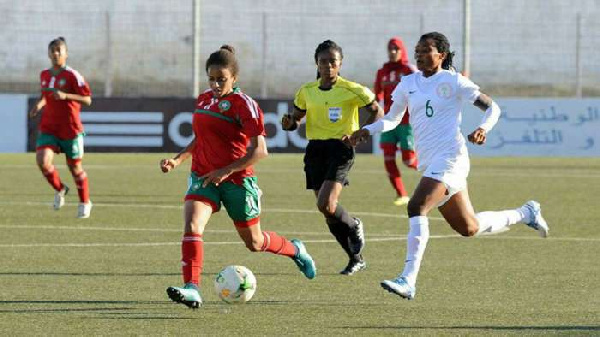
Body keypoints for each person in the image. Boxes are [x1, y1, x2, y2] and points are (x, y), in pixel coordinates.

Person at [350, 32, 549, 300]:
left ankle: (408, 279)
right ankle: (526, 213)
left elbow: (493, 109)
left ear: (441, 56)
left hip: (451, 159)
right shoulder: (408, 83)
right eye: (417, 50)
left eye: (425, 51)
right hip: (430, 162)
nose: (419, 55)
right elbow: (393, 120)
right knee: (469, 227)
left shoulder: (454, 81)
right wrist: (368, 130)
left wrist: (482, 128)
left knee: (417, 205)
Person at [161, 45, 316, 309]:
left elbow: (260, 151)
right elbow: (200, 139)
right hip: (203, 176)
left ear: (234, 78)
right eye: (211, 78)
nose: (216, 83)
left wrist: (226, 170)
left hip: (236, 181)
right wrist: (178, 159)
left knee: (254, 243)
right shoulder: (203, 100)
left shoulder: (245, 105)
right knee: (192, 226)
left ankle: (295, 250)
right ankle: (192, 288)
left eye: (221, 78)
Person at [281, 40, 384, 276]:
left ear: (340, 64)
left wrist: (360, 133)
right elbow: (296, 119)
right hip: (315, 150)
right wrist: (289, 123)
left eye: (332, 62)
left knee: (326, 204)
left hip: (341, 148)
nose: (328, 66)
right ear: (316, 63)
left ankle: (355, 225)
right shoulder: (306, 91)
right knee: (327, 210)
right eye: (323, 61)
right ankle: (355, 258)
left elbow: (378, 111)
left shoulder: (352, 89)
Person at [29, 37, 93, 218]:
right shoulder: (44, 75)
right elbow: (45, 96)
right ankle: (60, 188)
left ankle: (84, 201)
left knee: (75, 168)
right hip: (49, 128)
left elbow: (88, 99)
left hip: (70, 130)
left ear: (66, 53)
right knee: (42, 161)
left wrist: (66, 96)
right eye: (52, 50)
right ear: (48, 53)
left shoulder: (73, 75)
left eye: (59, 50)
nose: (55, 53)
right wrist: (39, 105)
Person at [373, 37, 418, 206]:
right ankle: (401, 194)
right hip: (389, 122)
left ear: (402, 50)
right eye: (390, 48)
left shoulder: (409, 70)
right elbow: (377, 94)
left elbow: (423, 88)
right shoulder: (382, 72)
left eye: (396, 48)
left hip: (407, 122)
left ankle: (435, 174)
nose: (392, 52)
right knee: (388, 158)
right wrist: (376, 109)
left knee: (409, 161)